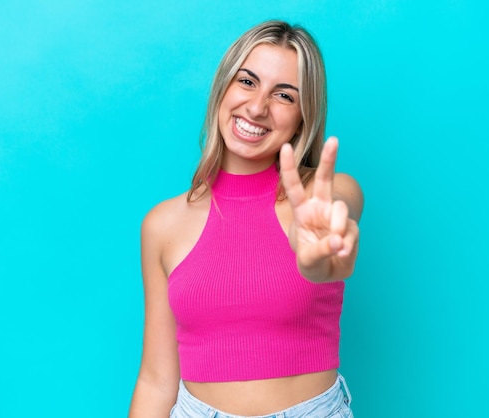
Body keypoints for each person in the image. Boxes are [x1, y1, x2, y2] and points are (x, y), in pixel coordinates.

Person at [129, 20, 363, 418]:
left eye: (284, 95)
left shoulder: (328, 195)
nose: (257, 107)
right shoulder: (162, 224)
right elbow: (155, 379)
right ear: (222, 88)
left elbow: (333, 227)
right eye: (247, 82)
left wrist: (320, 258)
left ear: (303, 116)